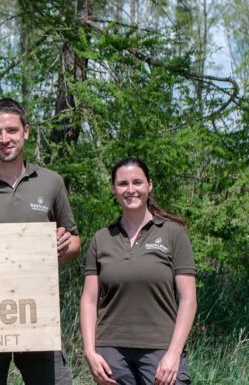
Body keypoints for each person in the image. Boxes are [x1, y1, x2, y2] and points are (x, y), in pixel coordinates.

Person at [0, 98, 81, 384]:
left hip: (38, 314)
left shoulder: (51, 182)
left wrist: (64, 245)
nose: (4, 139)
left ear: (26, 131)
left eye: (11, 130)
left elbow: (75, 242)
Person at [80, 157, 197, 385]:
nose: (130, 189)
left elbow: (188, 299)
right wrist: (90, 352)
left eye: (137, 182)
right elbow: (89, 300)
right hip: (111, 351)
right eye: (123, 184)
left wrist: (174, 353)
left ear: (149, 185)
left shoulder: (173, 234)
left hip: (161, 349)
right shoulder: (101, 238)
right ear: (113, 188)